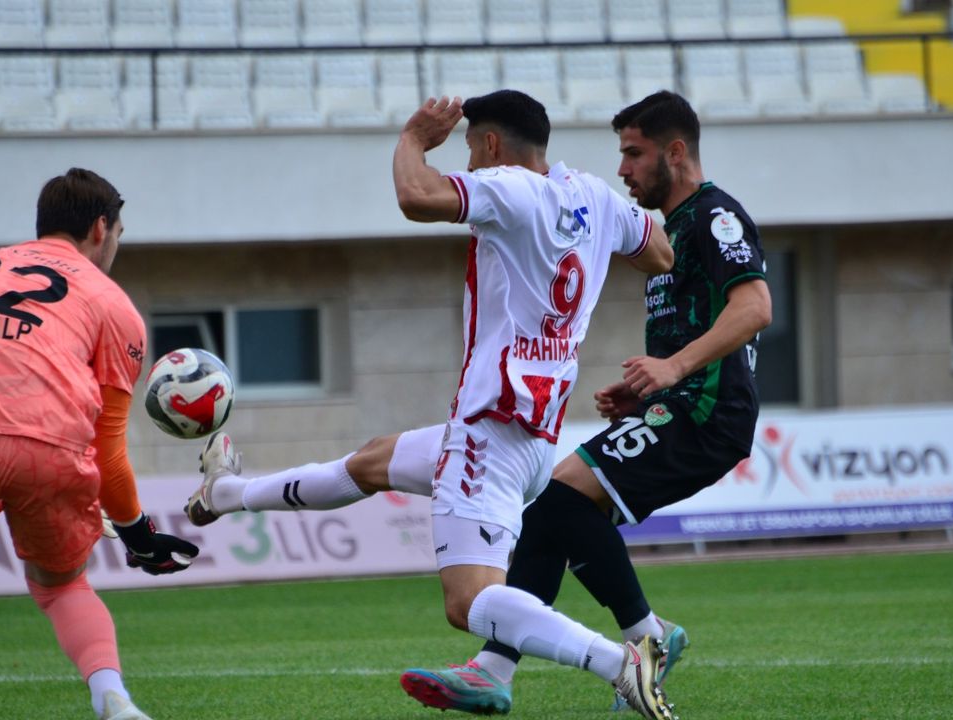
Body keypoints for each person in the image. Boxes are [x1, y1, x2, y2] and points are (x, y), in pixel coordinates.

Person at [187, 90, 677, 720]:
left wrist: (413, 140)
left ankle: (621, 662)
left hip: (490, 432)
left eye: (470, 148)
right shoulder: (594, 196)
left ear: (492, 145)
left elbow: (416, 196)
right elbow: (660, 254)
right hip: (531, 435)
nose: (468, 163)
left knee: (467, 601)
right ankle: (225, 494)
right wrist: (588, 247)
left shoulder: (509, 186)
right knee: (371, 462)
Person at [405, 90, 772, 716]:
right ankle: (495, 671)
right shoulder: (670, 229)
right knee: (553, 512)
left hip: (709, 411)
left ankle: (646, 637)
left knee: (560, 499)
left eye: (634, 154)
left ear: (675, 153)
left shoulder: (715, 217)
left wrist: (674, 368)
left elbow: (755, 307)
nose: (623, 169)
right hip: (681, 402)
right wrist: (651, 385)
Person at [0, 168, 200, 720]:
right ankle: (112, 697)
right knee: (61, 587)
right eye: (119, 235)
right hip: (46, 445)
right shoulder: (113, 304)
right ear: (101, 228)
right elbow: (107, 451)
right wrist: (138, 534)